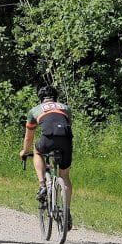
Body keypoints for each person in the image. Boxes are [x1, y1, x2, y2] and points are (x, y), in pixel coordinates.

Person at [19, 84, 73, 229]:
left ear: (41, 98)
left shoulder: (35, 110)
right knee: (65, 176)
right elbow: (67, 125)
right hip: (66, 139)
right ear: (56, 97)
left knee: (37, 152)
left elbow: (29, 137)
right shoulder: (65, 108)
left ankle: (42, 184)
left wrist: (25, 151)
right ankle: (66, 211)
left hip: (47, 138)